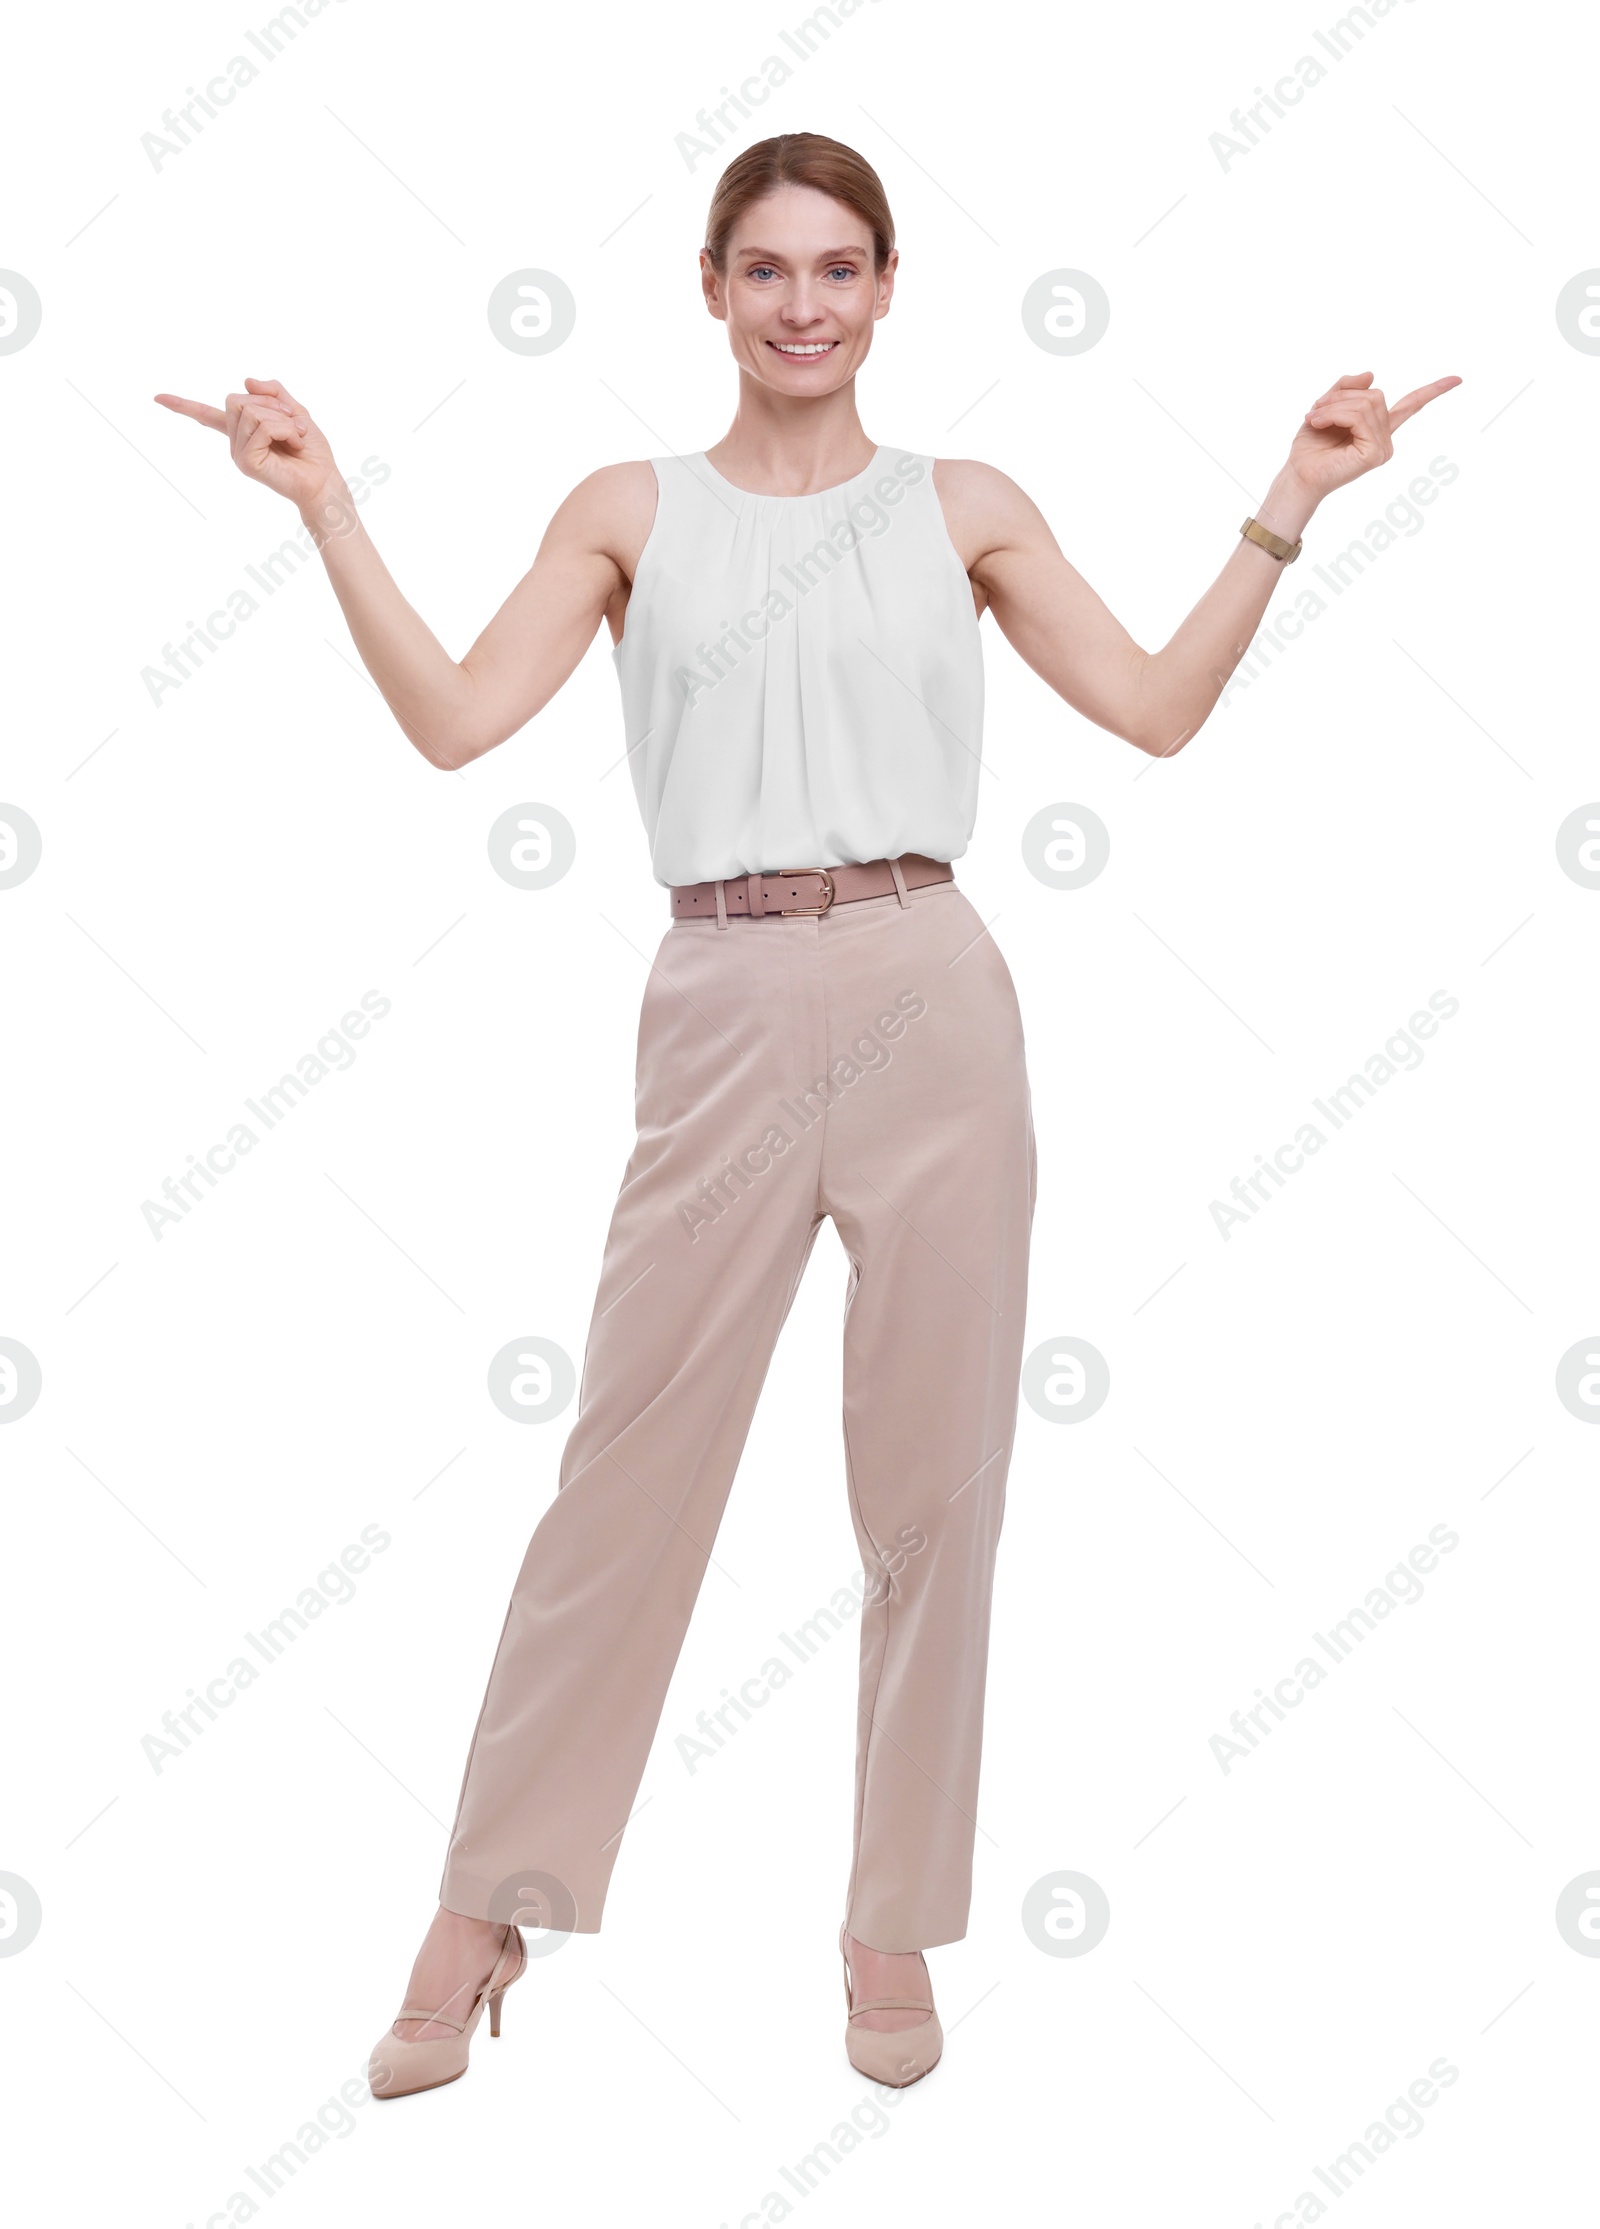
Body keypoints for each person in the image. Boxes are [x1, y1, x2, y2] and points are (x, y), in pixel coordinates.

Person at [155, 130, 1459, 2099]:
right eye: (762, 269)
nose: (799, 304)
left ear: (882, 288)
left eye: (834, 268)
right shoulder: (628, 507)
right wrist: (327, 505)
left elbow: (1156, 708)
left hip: (934, 991)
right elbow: (449, 719)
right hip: (720, 999)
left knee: (930, 1488)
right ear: (708, 288)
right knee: (624, 1469)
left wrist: (1290, 497)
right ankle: (487, 1895)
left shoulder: (963, 505)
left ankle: (889, 1919)